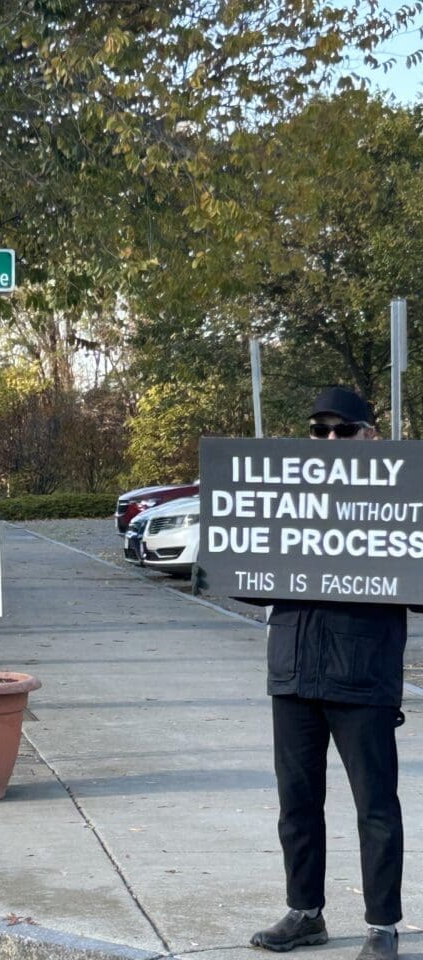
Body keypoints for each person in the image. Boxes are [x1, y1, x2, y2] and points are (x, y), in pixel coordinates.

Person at [251, 387, 406, 960]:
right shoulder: (281, 493)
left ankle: (382, 926)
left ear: (371, 436)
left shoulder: (403, 497)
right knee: (296, 804)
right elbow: (241, 576)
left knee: (376, 807)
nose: (331, 439)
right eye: (321, 430)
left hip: (362, 674)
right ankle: (305, 913)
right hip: (292, 671)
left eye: (344, 429)